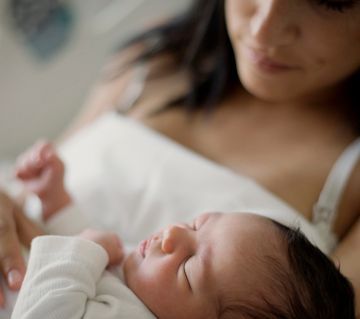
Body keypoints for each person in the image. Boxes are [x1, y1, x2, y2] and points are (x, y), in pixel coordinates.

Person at [0, 0, 359, 313]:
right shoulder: (155, 57)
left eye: (331, 1)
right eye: (193, 224)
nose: (264, 27)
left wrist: (76, 255)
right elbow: (29, 182)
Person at [9, 142, 356, 318]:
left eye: (189, 268)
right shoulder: (140, 280)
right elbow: (94, 264)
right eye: (196, 225)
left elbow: (48, 305)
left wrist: (81, 250)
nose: (173, 234)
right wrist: (55, 201)